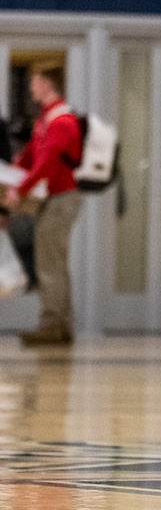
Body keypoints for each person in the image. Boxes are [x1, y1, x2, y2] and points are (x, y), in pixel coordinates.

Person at [7, 68, 83, 347]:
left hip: (62, 199)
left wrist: (21, 188)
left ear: (47, 83)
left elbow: (49, 161)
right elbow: (32, 154)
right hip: (55, 198)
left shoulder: (62, 119)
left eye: (35, 82)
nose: (31, 88)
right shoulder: (47, 117)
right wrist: (15, 171)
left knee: (49, 263)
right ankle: (61, 326)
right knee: (55, 263)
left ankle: (52, 325)